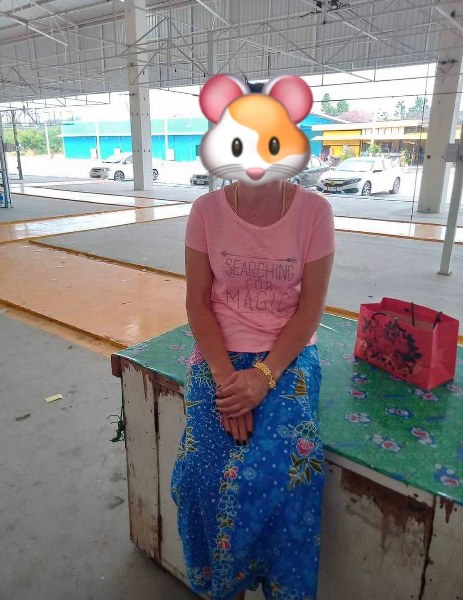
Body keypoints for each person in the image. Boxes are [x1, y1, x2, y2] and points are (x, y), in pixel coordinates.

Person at [171, 90, 335, 600]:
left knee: (289, 469)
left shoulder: (315, 212)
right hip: (219, 353)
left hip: (286, 354)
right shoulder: (205, 211)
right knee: (199, 474)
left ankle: (279, 587)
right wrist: (229, 384)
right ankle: (226, 587)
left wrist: (262, 379)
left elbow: (309, 310)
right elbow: (198, 303)